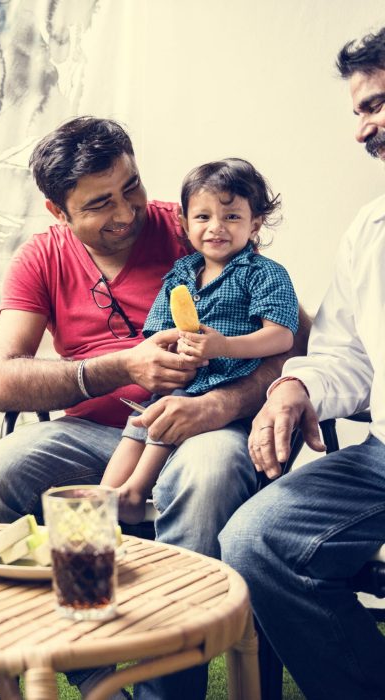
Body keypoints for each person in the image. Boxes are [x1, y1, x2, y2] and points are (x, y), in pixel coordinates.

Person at [0, 116, 306, 699]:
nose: (127, 212)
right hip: (103, 435)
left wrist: (220, 404)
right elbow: (1, 382)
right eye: (100, 203)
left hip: (208, 427)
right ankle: (88, 671)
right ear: (58, 212)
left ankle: (166, 693)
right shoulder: (41, 258)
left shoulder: (193, 224)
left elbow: (296, 339)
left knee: (207, 476)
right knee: (0, 472)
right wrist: (122, 366)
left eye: (131, 187)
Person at [220, 27, 385, 699]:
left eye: (376, 104)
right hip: (382, 460)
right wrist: (295, 386)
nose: (362, 129)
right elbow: (346, 353)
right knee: (255, 539)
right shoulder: (370, 229)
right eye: (359, 111)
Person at [101, 158, 298, 523]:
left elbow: (282, 335)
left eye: (232, 217)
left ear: (255, 224)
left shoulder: (264, 274)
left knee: (167, 414)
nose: (216, 227)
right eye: (203, 217)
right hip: (184, 378)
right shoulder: (180, 274)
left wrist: (224, 346)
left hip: (226, 385)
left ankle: (134, 492)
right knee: (140, 420)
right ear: (184, 223)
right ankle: (104, 496)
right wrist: (172, 350)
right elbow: (157, 331)